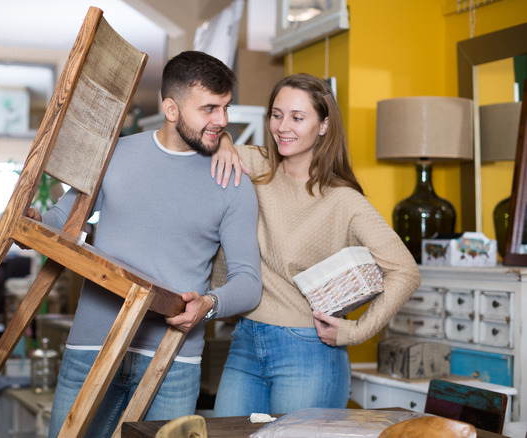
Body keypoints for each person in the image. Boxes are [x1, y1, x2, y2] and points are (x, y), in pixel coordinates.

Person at [33, 51, 262, 438]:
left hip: (173, 360)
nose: (222, 121)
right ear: (171, 109)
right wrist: (37, 224)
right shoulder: (115, 154)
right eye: (209, 108)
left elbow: (248, 283)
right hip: (92, 346)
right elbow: (64, 218)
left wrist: (208, 305)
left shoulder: (234, 182)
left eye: (224, 107)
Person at [211, 73, 420, 416]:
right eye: (276, 115)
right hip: (246, 340)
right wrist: (223, 142)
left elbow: (405, 271)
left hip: (309, 351)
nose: (283, 126)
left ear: (323, 125)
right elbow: (215, 141)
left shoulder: (343, 200)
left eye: (297, 117)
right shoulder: (255, 164)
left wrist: (356, 331)